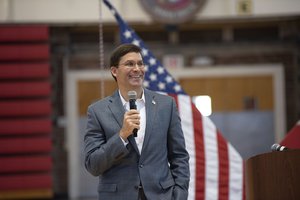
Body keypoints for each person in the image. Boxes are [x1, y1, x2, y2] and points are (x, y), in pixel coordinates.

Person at [84, 43, 190, 200]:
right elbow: (93, 164)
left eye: (140, 63)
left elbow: (179, 156)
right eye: (129, 64)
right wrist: (122, 136)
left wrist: (180, 194)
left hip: (162, 195)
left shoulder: (166, 105)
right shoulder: (97, 111)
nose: (137, 69)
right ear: (114, 71)